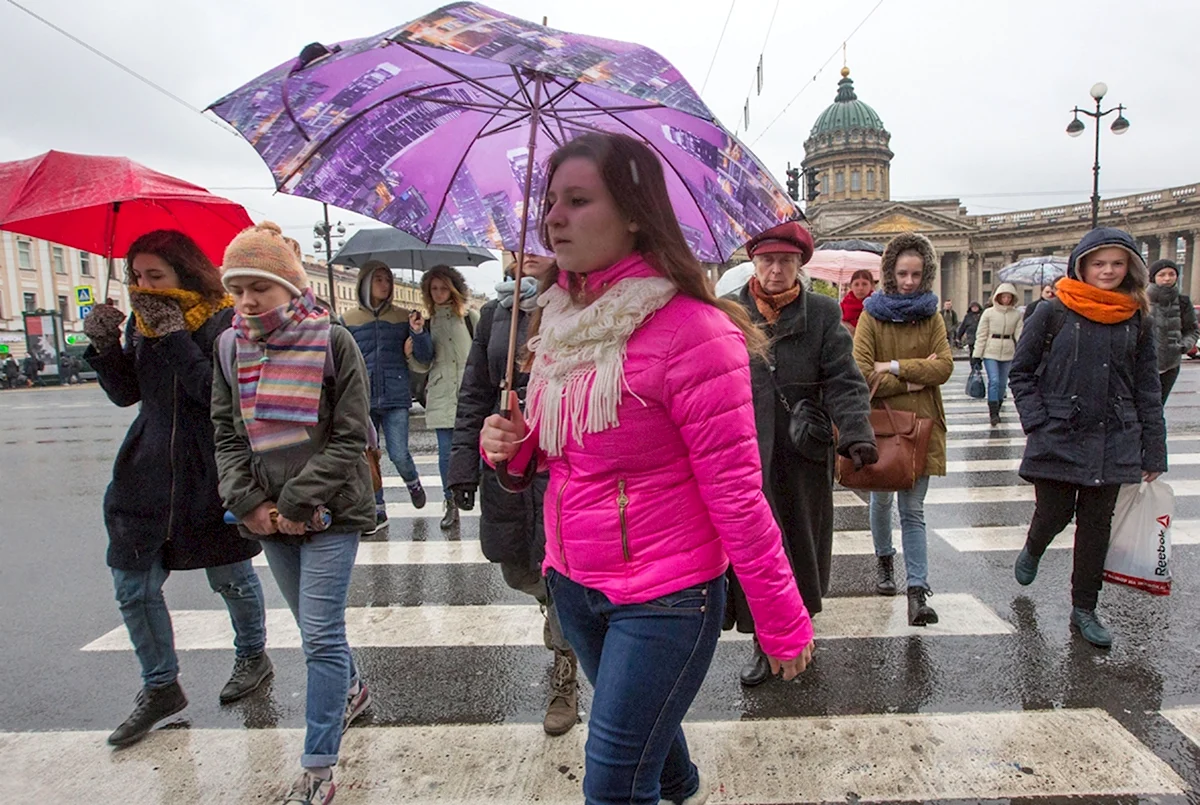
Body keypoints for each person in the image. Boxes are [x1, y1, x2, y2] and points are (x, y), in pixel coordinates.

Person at [480, 132, 814, 805]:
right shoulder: (559, 321)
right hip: (574, 584)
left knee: (611, 786)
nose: (553, 217)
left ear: (634, 212)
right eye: (550, 201)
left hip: (665, 597)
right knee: (652, 757)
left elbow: (737, 492)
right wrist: (515, 447)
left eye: (578, 200)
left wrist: (781, 618)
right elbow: (564, 451)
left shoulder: (694, 332)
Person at [81, 229, 269, 749]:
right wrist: (103, 345)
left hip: (207, 469)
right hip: (143, 472)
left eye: (155, 276)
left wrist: (175, 339)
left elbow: (217, 394)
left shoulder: (222, 319)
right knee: (132, 587)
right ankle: (160, 685)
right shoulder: (142, 324)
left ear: (184, 272)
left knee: (230, 576)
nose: (144, 285)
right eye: (137, 276)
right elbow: (127, 395)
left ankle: (253, 654)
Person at [212, 222, 375, 804]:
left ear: (288, 283)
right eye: (238, 289)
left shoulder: (333, 341)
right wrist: (250, 503)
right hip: (271, 520)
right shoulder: (231, 346)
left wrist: (295, 503)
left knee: (321, 638)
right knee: (314, 627)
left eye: (260, 285)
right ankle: (353, 690)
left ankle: (318, 768)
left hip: (330, 513)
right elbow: (228, 433)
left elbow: (352, 435)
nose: (248, 300)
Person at [726, 221, 875, 687]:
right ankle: (759, 638)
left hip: (802, 450)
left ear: (799, 266)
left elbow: (844, 380)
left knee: (802, 546)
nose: (775, 270)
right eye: (767, 260)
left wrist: (856, 434)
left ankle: (799, 628)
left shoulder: (823, 314)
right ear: (754, 262)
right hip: (746, 452)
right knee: (755, 550)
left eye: (785, 261)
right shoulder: (730, 314)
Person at [1009, 227, 1167, 648]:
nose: (1108, 271)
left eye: (1117, 263)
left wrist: (1153, 450)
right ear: (1082, 266)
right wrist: (1038, 421)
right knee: (1055, 512)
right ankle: (1034, 545)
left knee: (1096, 526)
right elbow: (1021, 372)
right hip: (1059, 430)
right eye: (1099, 263)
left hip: (1114, 434)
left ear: (1130, 267)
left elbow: (1148, 387)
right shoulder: (1053, 310)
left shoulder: (1138, 317)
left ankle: (1084, 609)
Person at [447, 251, 578, 735]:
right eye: (513, 246)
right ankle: (556, 610)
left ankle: (566, 668)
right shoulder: (495, 313)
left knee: (562, 569)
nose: (523, 254)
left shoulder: (578, 302)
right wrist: (462, 465)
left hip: (561, 461)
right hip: (505, 459)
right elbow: (475, 392)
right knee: (517, 568)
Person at [853, 232, 953, 626]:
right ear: (889, 273)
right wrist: (915, 377)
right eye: (902, 273)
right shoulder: (870, 314)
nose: (909, 281)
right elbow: (861, 374)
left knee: (913, 511)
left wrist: (892, 367)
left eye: (916, 274)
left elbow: (943, 367)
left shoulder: (933, 316)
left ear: (925, 273)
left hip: (924, 425)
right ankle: (884, 562)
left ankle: (918, 591)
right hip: (883, 426)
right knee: (881, 501)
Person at [343, 260, 433, 531]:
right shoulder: (348, 321)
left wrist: (418, 333)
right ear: (366, 283)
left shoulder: (402, 317)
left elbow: (424, 356)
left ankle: (413, 482)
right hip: (363, 397)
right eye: (379, 279)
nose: (386, 284)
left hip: (395, 394)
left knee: (399, 453)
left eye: (389, 279)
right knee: (369, 456)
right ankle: (377, 509)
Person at [415, 264, 480, 530]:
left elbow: (482, 352)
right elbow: (421, 364)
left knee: (478, 449)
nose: (439, 293)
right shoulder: (426, 323)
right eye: (434, 288)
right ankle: (450, 502)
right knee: (445, 454)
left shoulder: (470, 318)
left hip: (471, 391)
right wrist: (417, 336)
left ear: (454, 289)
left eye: (444, 287)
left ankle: (480, 498)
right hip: (441, 392)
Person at [1147, 258, 1199, 402]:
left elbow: (1192, 329)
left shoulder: (1183, 301)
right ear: (1153, 278)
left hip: (1171, 364)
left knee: (1159, 404)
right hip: (1144, 364)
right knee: (1143, 407)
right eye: (1162, 275)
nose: (1167, 278)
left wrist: (1183, 346)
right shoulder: (1141, 300)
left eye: (1171, 274)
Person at [972, 282, 1024, 427]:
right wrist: (977, 355)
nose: (1006, 299)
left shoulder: (1016, 314)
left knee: (1002, 384)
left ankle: (998, 407)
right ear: (998, 297)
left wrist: (1023, 352)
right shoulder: (989, 313)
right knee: (994, 381)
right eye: (1004, 297)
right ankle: (993, 413)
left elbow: (1020, 335)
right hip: (991, 350)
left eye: (1009, 297)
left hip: (1008, 350)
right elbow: (981, 334)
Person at [839, 268, 874, 336]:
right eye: (856, 284)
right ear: (851, 286)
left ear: (872, 286)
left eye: (864, 284)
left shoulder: (877, 306)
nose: (860, 288)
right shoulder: (843, 305)